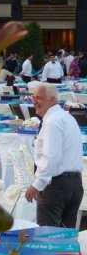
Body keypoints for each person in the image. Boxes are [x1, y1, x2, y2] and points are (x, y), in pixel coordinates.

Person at [25, 84, 83, 227]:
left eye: (39, 98)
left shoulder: (53, 122)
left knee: (48, 238)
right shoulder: (67, 118)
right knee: (65, 238)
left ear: (52, 100)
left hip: (56, 185)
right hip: (75, 185)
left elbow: (51, 158)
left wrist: (38, 184)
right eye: (33, 97)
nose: (34, 102)